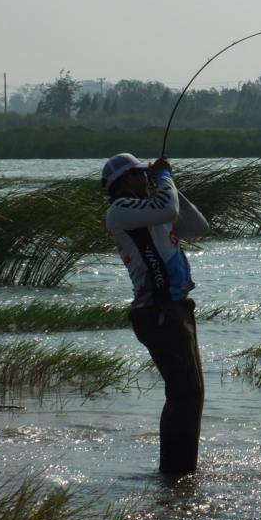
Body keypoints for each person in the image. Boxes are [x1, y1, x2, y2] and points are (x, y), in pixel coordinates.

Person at [102, 153, 209, 475]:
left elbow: (198, 226)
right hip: (157, 312)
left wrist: (169, 182)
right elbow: (168, 208)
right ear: (123, 181)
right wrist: (164, 178)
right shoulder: (121, 211)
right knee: (183, 394)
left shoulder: (151, 211)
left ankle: (182, 472)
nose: (144, 178)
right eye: (139, 173)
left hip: (176, 309)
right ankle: (174, 472)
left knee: (192, 393)